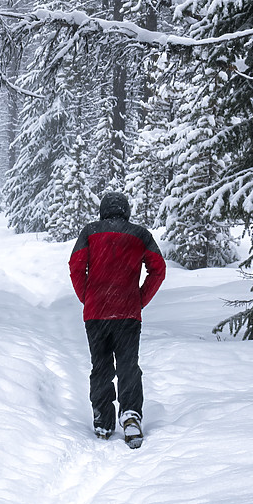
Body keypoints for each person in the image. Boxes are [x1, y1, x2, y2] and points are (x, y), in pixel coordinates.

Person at [68, 192, 166, 448]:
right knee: (128, 366)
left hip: (96, 314)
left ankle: (103, 419)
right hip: (127, 314)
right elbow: (159, 268)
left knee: (100, 367)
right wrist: (139, 298)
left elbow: (76, 265)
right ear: (126, 211)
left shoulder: (89, 232)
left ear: (103, 210)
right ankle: (131, 416)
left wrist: (87, 297)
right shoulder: (140, 234)